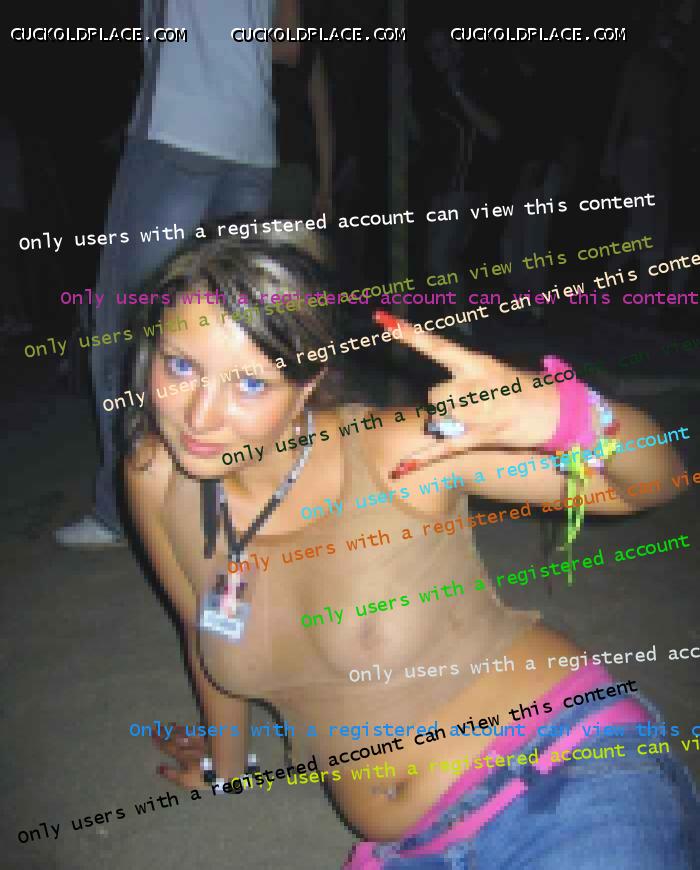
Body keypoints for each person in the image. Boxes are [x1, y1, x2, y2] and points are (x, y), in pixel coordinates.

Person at [124, 228, 699, 868]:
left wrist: (572, 416)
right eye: (181, 366)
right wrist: (226, 765)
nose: (200, 417)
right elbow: (201, 626)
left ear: (308, 383)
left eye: (251, 384)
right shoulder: (155, 476)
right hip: (411, 851)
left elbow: (657, 483)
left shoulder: (395, 453)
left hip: (564, 772)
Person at [55, 0, 300, 548]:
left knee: (125, 329)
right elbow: (288, 47)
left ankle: (123, 509)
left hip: (178, 128)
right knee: (241, 330)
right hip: (252, 139)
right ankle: (245, 493)